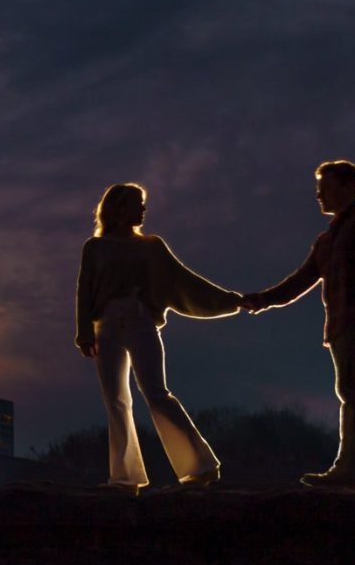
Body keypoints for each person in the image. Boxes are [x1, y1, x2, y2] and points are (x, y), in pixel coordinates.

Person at [240, 160, 355, 490]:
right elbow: (298, 282)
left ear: (346, 187)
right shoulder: (326, 241)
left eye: (325, 187)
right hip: (341, 327)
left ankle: (353, 469)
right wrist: (259, 300)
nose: (318, 194)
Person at [75, 181, 239, 490]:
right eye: (138, 203)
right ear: (119, 208)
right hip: (106, 326)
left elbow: (183, 280)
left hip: (141, 322)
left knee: (156, 393)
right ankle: (124, 477)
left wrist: (230, 300)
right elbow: (84, 291)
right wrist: (84, 332)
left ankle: (201, 466)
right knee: (115, 401)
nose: (143, 210)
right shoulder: (94, 247)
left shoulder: (152, 246)